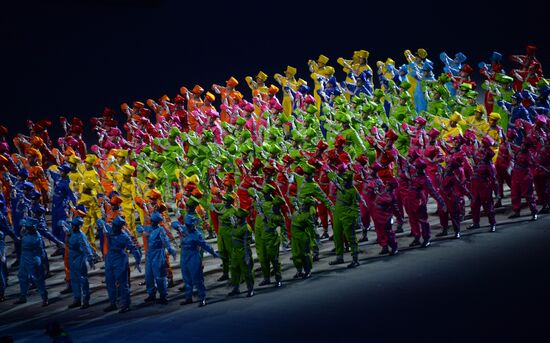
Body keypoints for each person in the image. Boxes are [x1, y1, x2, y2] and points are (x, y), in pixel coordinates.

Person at [172, 214, 219, 307]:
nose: (189, 226)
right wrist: (179, 227)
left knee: (197, 279)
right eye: (187, 225)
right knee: (186, 279)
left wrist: (213, 253)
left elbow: (205, 245)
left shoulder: (197, 234)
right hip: (184, 257)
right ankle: (188, 298)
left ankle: (202, 298)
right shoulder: (183, 229)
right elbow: (173, 224)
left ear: (194, 224)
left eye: (190, 225)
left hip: (193, 257)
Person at [98, 215, 142, 313]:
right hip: (110, 258)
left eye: (114, 226)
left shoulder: (124, 236)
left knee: (122, 283)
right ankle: (113, 303)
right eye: (112, 225)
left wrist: (138, 261)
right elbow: (101, 223)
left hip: (120, 259)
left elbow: (134, 249)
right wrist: (101, 223)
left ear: (119, 227)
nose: (112, 227)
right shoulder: (109, 228)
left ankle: (126, 304)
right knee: (109, 282)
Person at [137, 211, 176, 305]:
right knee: (149, 275)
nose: (151, 222)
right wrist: (141, 230)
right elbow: (142, 229)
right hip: (150, 253)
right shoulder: (149, 227)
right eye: (151, 221)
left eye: (153, 221)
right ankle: (151, 294)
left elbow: (166, 242)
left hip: (158, 254)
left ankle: (163, 296)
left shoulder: (160, 230)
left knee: (160, 276)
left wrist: (172, 251)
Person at [14, 218, 49, 306]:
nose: (27, 228)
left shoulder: (37, 237)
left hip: (33, 258)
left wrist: (42, 263)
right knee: (22, 277)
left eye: (28, 227)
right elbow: (21, 234)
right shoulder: (27, 232)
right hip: (24, 257)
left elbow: (41, 252)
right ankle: (23, 297)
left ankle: (44, 298)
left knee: (38, 279)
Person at [329, 171, 360, 268]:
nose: (345, 182)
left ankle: (355, 259)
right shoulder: (341, 184)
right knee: (337, 237)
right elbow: (331, 174)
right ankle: (339, 257)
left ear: (351, 181)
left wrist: (353, 219)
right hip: (337, 214)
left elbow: (356, 207)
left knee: (351, 238)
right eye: (344, 180)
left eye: (347, 181)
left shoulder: (353, 191)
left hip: (347, 216)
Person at [64, 216, 95, 309]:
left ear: (78, 226)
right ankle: (77, 299)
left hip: (79, 259)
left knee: (83, 280)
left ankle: (86, 301)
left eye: (74, 225)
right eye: (72, 225)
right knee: (74, 280)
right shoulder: (72, 232)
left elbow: (86, 248)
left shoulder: (81, 236)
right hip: (72, 258)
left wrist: (90, 259)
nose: (72, 227)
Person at [228, 208, 255, 297]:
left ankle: (250, 289)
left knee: (247, 272)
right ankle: (236, 288)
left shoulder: (246, 228)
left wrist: (247, 256)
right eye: (236, 217)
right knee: (234, 270)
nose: (236, 219)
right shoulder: (237, 225)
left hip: (243, 252)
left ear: (242, 218)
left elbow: (246, 243)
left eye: (238, 218)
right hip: (235, 252)